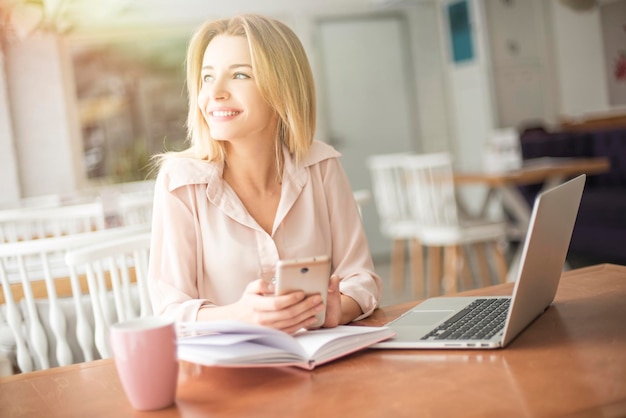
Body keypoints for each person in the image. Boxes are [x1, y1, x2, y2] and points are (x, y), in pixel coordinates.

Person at [148, 14, 382, 334]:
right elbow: (168, 311)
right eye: (206, 77)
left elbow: (361, 279)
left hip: (320, 362)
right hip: (230, 375)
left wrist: (335, 310)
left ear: (282, 88)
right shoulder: (180, 182)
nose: (214, 92)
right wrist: (240, 315)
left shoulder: (321, 165)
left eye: (240, 75)